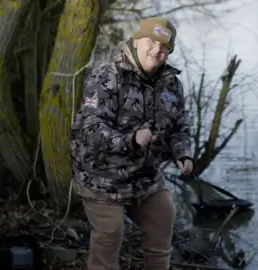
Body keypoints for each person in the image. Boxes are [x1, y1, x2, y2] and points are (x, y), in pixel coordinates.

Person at [69, 17, 193, 270]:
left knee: (163, 221)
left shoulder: (172, 84)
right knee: (111, 235)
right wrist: (130, 141)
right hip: (101, 177)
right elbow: (89, 128)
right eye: (151, 42)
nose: (157, 50)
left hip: (146, 178)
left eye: (165, 48)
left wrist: (183, 154)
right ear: (137, 41)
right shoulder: (107, 75)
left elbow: (180, 126)